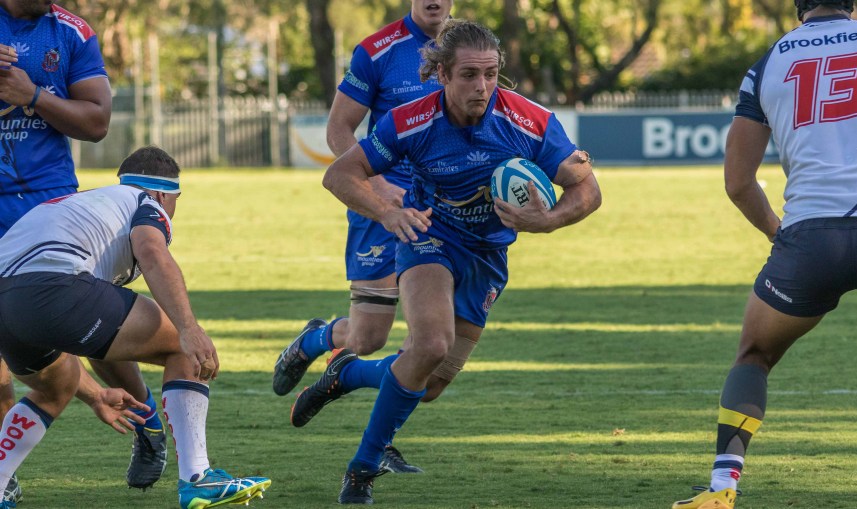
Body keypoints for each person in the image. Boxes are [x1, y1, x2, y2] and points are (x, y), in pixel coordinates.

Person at [318, 19, 600, 504]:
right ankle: (362, 468)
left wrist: (549, 220)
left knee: (428, 385)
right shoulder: (411, 120)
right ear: (443, 74)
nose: (482, 86)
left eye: (490, 74)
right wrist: (387, 212)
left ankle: (346, 373)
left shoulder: (528, 121)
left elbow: (588, 188)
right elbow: (340, 174)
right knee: (430, 344)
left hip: (487, 255)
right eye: (469, 74)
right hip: (430, 237)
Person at [0, 146, 272, 509]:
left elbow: (103, 336)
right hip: (56, 285)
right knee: (182, 347)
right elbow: (152, 252)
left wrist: (97, 395)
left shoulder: (88, 204)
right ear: (163, 194)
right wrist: (189, 328)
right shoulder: (146, 202)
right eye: (176, 200)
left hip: (6, 305)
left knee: (54, 387)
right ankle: (198, 478)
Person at [671, 2, 857, 508]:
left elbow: (738, 182)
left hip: (811, 239)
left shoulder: (769, 63)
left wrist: (782, 235)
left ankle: (722, 489)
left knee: (754, 356)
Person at [273, 0, 452, 474]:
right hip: (383, 208)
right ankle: (317, 340)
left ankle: (381, 440)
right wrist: (376, 186)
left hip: (444, 210)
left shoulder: (468, 50)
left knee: (430, 343)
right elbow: (338, 130)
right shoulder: (378, 51)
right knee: (369, 337)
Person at [0, 0, 168, 498]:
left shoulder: (71, 31)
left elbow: (96, 122)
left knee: (94, 328)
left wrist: (32, 95)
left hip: (47, 205)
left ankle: (146, 420)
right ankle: (4, 475)